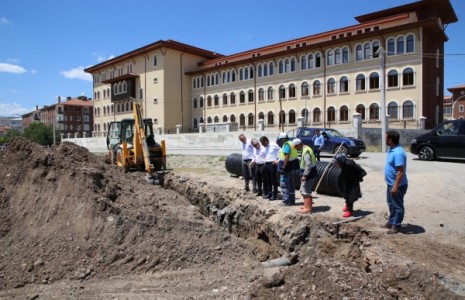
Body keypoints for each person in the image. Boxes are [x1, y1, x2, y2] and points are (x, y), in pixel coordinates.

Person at [383, 130, 408, 234]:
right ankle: (391, 221)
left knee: (397, 206)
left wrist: (395, 187)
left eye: (386, 138)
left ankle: (396, 226)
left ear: (390, 140)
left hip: (397, 185)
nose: (384, 139)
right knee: (391, 204)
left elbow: (400, 172)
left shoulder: (398, 153)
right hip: (390, 183)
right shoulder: (392, 149)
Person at [334, 153, 364, 218]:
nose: (337, 164)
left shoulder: (349, 164)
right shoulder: (342, 164)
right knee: (345, 194)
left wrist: (359, 178)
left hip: (352, 182)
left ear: (341, 161)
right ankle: (347, 205)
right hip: (346, 180)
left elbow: (359, 170)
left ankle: (349, 211)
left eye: (337, 163)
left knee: (350, 196)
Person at [292, 138, 317, 214]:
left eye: (296, 147)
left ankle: (308, 208)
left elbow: (308, 164)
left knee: (305, 191)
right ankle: (306, 205)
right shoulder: (305, 149)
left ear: (299, 144)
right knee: (303, 190)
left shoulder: (306, 151)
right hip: (308, 173)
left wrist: (305, 175)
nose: (296, 149)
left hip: (309, 174)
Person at [277, 132, 300, 206]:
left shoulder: (287, 145)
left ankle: (286, 201)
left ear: (283, 139)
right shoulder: (291, 143)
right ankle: (292, 201)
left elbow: (287, 157)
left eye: (281, 139)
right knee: (291, 184)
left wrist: (283, 168)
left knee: (284, 184)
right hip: (293, 167)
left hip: (287, 168)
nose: (280, 141)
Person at [260, 136, 281, 200]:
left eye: (263, 143)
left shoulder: (273, 145)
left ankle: (274, 195)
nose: (263, 145)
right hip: (266, 163)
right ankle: (269, 194)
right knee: (267, 180)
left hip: (272, 164)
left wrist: (278, 160)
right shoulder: (264, 147)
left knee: (273, 180)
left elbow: (281, 151)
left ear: (266, 141)